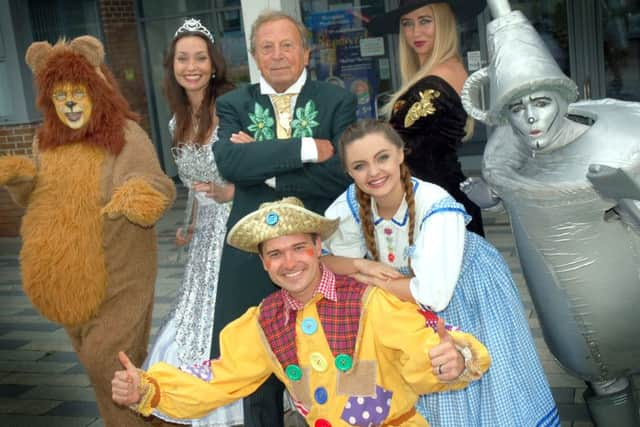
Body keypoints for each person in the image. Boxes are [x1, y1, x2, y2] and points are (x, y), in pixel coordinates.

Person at [112, 197, 491, 426]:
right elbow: (220, 376)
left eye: (299, 249)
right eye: (275, 254)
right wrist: (150, 387)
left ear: (318, 248)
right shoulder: (264, 322)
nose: (288, 262)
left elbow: (422, 347)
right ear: (264, 264)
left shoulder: (369, 302)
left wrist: (451, 359)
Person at [460, 1, 640, 424]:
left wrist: (624, 191)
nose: (529, 119)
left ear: (560, 98)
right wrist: (488, 195)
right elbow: (506, 197)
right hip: (568, 309)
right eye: (518, 110)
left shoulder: (610, 153)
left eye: (539, 103)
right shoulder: (508, 157)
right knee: (603, 377)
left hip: (624, 290)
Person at [322, 119, 559, 426]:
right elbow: (325, 261)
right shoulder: (352, 203)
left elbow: (432, 295)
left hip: (464, 287)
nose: (374, 172)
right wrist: (360, 265)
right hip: (403, 291)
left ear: (400, 154)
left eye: (382, 158)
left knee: (478, 381)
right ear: (349, 172)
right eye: (360, 166)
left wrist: (369, 281)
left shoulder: (435, 205)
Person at [211, 9, 357, 426]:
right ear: (254, 55)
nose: (277, 55)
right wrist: (308, 148)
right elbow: (230, 163)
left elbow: (339, 173)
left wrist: (261, 165)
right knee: (256, 357)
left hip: (322, 247)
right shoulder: (234, 103)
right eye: (267, 47)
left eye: (287, 45)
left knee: (338, 350)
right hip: (251, 253)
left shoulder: (337, 100)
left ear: (306, 53)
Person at [142, 18, 242, 426]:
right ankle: (196, 394)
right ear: (173, 66)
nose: (192, 66)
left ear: (213, 64)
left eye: (200, 57)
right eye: (183, 58)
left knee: (231, 311)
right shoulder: (175, 121)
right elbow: (195, 186)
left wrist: (231, 193)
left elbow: (256, 169)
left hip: (238, 227)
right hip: (204, 239)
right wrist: (189, 221)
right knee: (196, 312)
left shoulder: (234, 108)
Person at [367, 0, 486, 236]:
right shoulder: (443, 70)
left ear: (443, 22)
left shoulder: (436, 80)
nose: (415, 32)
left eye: (425, 20)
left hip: (437, 206)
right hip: (438, 199)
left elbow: (397, 145)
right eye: (407, 24)